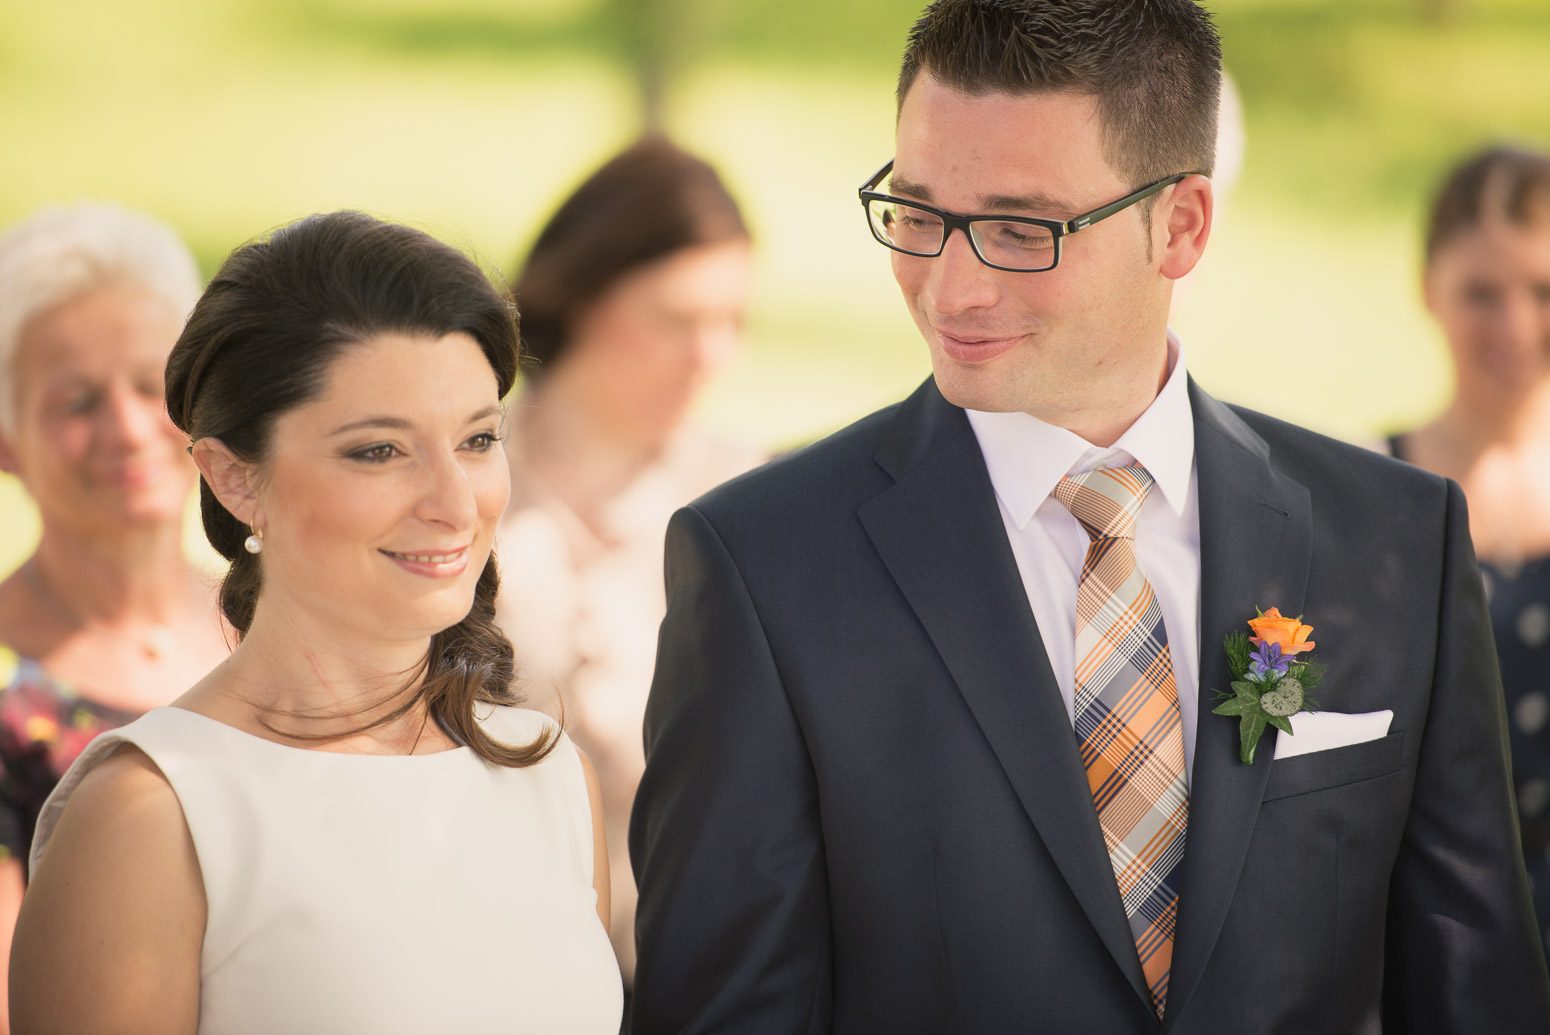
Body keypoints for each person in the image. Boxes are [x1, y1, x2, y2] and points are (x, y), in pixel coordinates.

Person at [627, 1, 1550, 1032]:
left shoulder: (1394, 541)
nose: (952, 284)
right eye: (920, 212)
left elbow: (1478, 999)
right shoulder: (762, 570)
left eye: (1022, 228)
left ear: (1182, 224)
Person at [11, 211, 623, 1033]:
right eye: (379, 450)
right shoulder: (151, 816)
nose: (453, 504)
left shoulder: (549, 776)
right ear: (235, 479)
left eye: (478, 438)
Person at [495, 135, 762, 985]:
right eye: (677, 320)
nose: (713, 356)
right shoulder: (459, 481)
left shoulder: (747, 502)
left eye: (733, 322)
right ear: (583, 295)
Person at [0, 202, 229, 1025]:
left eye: (150, 385)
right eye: (76, 403)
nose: (129, 430)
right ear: (5, 441)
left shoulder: (289, 624)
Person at [1389, 145, 1550, 956]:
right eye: (1481, 293)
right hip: (1424, 944)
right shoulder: (1362, 496)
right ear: (1429, 288)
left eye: (1543, 291)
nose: (1515, 326)